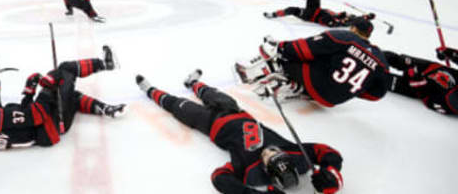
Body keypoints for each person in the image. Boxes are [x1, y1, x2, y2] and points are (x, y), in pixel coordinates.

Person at [135, 70, 344, 194]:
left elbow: (219, 177)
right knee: (212, 93)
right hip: (236, 111)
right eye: (275, 151)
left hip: (208, 123)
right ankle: (193, 82)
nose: (268, 151)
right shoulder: (296, 153)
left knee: (176, 105)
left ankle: (150, 90)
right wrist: (330, 174)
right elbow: (328, 153)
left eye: (268, 158)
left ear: (266, 170)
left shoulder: (249, 169)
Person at [0, 46, 125, 150]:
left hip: (52, 131)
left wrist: (29, 91)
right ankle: (105, 64)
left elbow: (23, 119)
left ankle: (107, 109)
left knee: (73, 98)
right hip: (53, 121)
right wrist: (47, 88)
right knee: (64, 69)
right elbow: (36, 115)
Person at [237, 18, 391, 107]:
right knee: (329, 59)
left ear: (353, 28)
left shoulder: (345, 37)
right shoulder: (381, 61)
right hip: (334, 100)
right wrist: (352, 89)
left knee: (283, 55)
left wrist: (281, 47)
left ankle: (250, 73)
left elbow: (304, 49)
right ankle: (302, 89)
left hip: (318, 84)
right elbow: (376, 94)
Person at [384, 50, 458, 115]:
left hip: (418, 87)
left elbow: (431, 101)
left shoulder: (453, 102)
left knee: (383, 79)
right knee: (397, 59)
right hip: (430, 67)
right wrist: (450, 53)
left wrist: (416, 80)